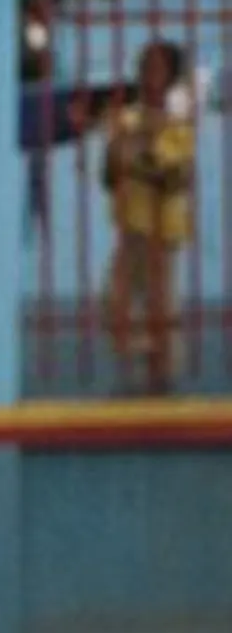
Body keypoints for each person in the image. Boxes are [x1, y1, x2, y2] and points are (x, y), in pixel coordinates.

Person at [103, 39, 193, 396]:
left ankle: (164, 382)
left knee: (161, 304)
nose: (147, 74)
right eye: (144, 65)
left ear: (171, 77)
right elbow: (109, 175)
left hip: (164, 228)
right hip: (130, 224)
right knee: (113, 301)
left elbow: (175, 178)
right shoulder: (125, 118)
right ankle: (154, 354)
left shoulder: (179, 123)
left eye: (156, 67)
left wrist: (135, 156)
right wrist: (122, 155)